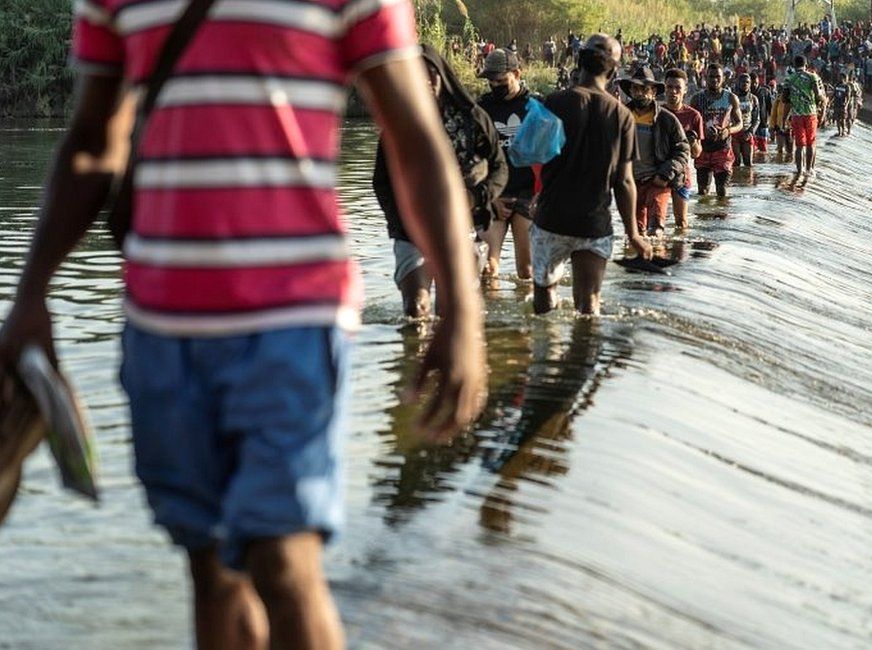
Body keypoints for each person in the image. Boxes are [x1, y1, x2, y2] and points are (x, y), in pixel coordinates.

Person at [0, 1, 488, 648]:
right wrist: (31, 295)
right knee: (208, 565)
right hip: (160, 323)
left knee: (283, 561)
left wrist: (462, 311)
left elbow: (416, 140)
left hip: (295, 316)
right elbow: (93, 142)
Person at [374, 46, 508, 316]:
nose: (424, 80)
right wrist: (397, 220)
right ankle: (414, 356)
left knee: (454, 311)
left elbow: (499, 167)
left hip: (462, 223)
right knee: (416, 307)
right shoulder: (398, 123)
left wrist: (477, 197)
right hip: (411, 228)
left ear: (443, 76)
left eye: (430, 73)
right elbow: (381, 181)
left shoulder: (472, 118)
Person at [530, 34, 653, 315]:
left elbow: (535, 156)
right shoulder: (622, 116)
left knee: (544, 301)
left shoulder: (553, 103)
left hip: (551, 218)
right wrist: (633, 234)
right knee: (589, 306)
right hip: (593, 223)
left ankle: (544, 354)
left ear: (579, 62)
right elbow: (624, 181)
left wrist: (536, 193)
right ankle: (583, 356)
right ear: (613, 71)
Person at [476, 49, 539, 280]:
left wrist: (542, 195)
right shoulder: (481, 109)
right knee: (486, 269)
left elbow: (552, 157)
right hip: (493, 193)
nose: (495, 85)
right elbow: (473, 158)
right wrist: (488, 196)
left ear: (517, 74)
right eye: (491, 81)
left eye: (501, 81)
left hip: (528, 194)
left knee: (527, 271)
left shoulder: (536, 107)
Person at [620, 66, 690, 237]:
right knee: (634, 233)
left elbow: (683, 150)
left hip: (657, 181)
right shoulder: (621, 116)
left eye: (645, 89)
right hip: (631, 183)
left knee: (656, 229)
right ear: (630, 91)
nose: (640, 93)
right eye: (636, 89)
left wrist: (665, 174)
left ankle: (658, 260)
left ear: (653, 92)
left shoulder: (666, 119)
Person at [689, 62, 743, 197]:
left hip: (723, 149)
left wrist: (728, 131)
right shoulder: (697, 99)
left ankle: (722, 217)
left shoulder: (731, 98)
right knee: (702, 192)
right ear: (705, 78)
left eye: (718, 77)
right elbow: (690, 125)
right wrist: (702, 132)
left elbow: (740, 123)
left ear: (723, 78)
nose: (714, 80)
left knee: (722, 191)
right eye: (711, 77)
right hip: (703, 149)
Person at [662, 68, 704, 230]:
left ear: (685, 90)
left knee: (681, 222)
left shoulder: (694, 116)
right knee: (656, 221)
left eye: (677, 88)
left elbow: (697, 153)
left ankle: (680, 253)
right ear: (664, 89)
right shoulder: (657, 113)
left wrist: (692, 141)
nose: (673, 91)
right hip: (659, 173)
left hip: (681, 174)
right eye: (669, 87)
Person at [784, 55, 826, 174]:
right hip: (810, 114)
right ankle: (809, 170)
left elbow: (785, 100)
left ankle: (799, 170)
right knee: (810, 143)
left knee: (799, 145)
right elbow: (818, 95)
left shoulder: (789, 79)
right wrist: (824, 100)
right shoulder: (813, 77)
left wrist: (784, 118)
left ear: (794, 65)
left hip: (796, 115)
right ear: (806, 64)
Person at [732, 72, 760, 166]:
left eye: (747, 82)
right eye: (743, 82)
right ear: (738, 83)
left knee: (749, 163)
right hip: (735, 133)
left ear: (750, 84)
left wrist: (750, 132)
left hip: (747, 132)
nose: (745, 84)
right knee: (736, 163)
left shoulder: (754, 99)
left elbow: (757, 119)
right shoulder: (732, 98)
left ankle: (748, 180)